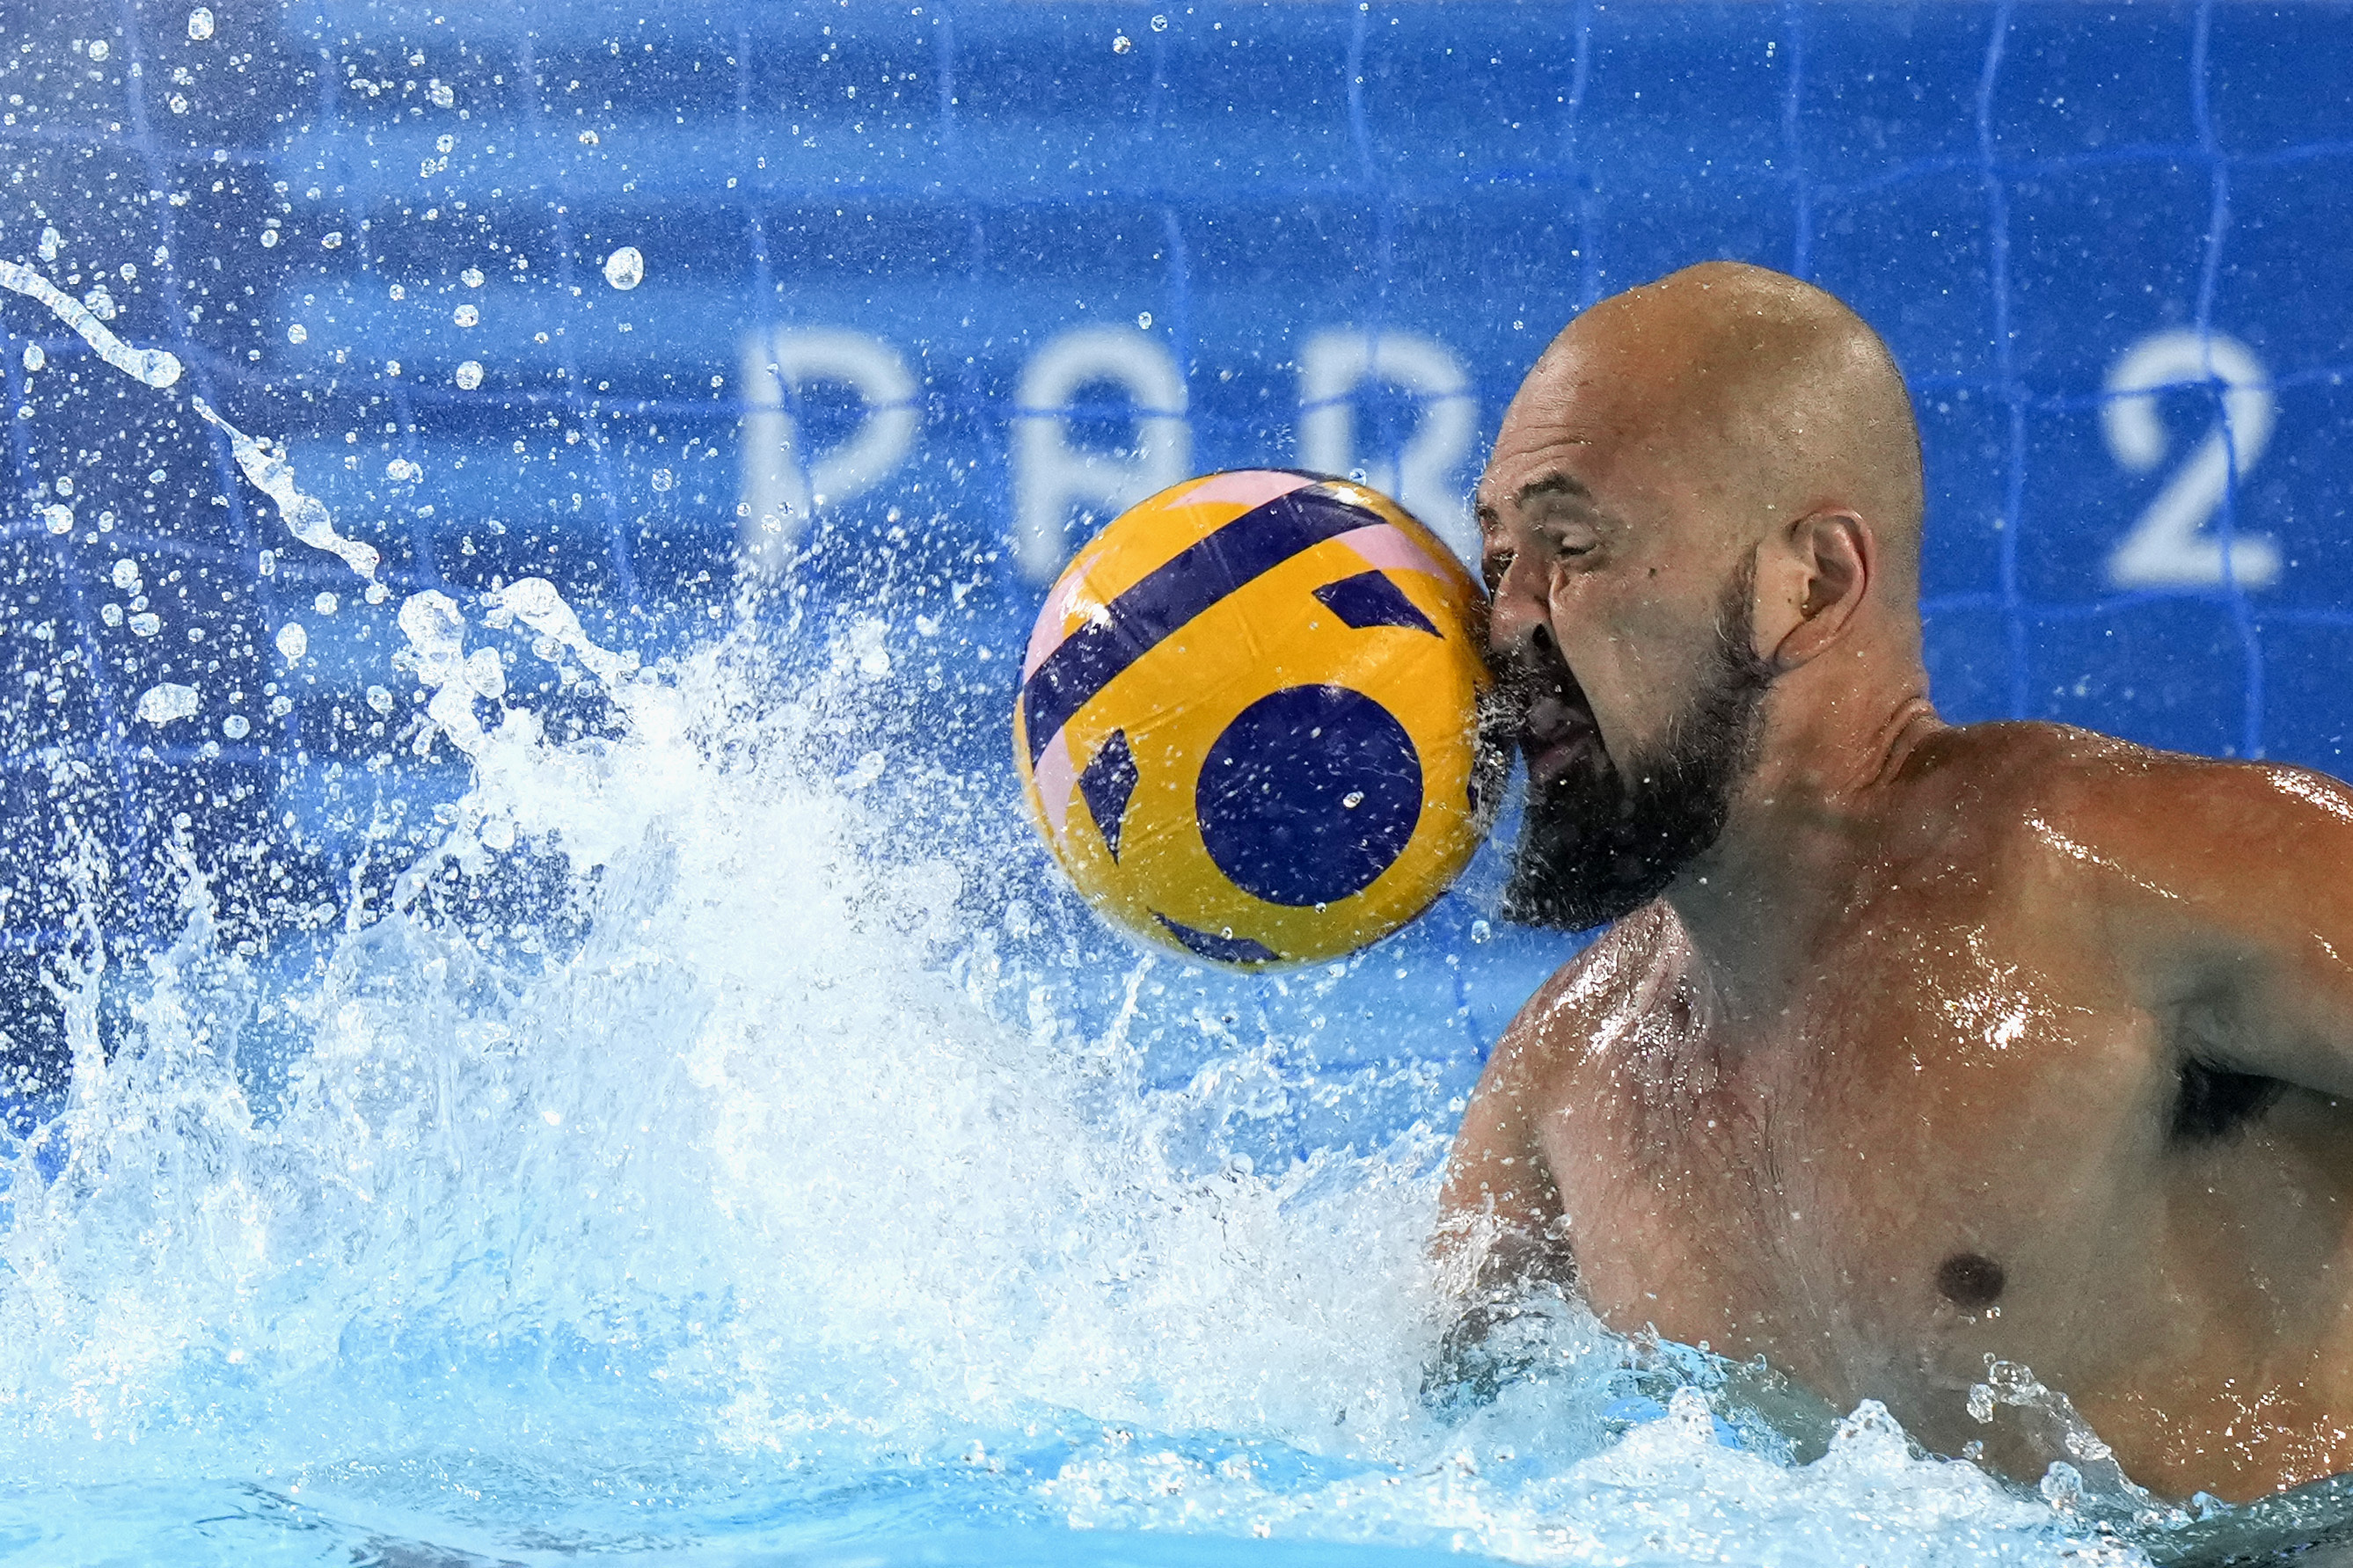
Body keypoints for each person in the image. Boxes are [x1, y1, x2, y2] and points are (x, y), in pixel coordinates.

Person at [1439, 259, 2353, 1504]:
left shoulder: (2150, 889)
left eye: (1571, 548)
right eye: (1497, 556)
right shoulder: (1561, 1090)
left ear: (1812, 583)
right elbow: (1413, 1462)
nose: (1505, 621)